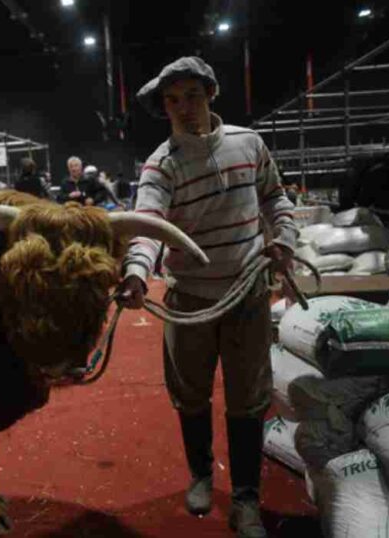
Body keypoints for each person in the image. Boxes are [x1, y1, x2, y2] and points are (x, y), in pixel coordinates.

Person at [116, 56, 297, 538]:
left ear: (211, 94)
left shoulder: (248, 144)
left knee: (248, 399)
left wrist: (284, 238)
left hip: (247, 293)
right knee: (190, 395)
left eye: (192, 96)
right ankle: (200, 475)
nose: (183, 108)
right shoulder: (162, 164)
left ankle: (245, 499)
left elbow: (276, 197)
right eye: (172, 100)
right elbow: (148, 226)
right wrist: (136, 272)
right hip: (189, 300)